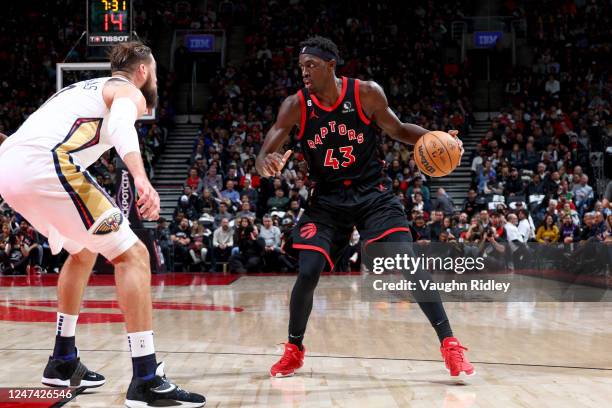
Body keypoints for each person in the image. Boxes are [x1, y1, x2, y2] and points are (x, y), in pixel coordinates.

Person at [0, 42, 204, 407]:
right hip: (46, 167)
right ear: (143, 71)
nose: (154, 79)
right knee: (134, 255)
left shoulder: (79, 89)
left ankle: (62, 361)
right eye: (154, 72)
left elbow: (25, 137)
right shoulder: (128, 91)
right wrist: (141, 178)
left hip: (10, 167)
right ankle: (146, 378)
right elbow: (124, 126)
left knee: (82, 253)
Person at [256, 36, 473, 379]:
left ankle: (450, 345)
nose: (304, 73)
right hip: (326, 200)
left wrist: (436, 136)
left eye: (311, 65)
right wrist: (265, 163)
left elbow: (399, 129)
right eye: (301, 67)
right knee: (308, 271)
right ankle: (294, 349)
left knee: (407, 261)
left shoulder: (366, 93)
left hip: (373, 194)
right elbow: (264, 153)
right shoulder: (295, 105)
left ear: (331, 65)